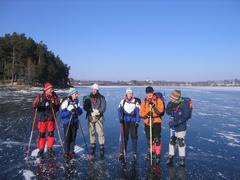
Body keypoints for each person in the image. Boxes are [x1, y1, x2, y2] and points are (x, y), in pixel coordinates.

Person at [32, 82, 60, 158]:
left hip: (51, 118)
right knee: (42, 135)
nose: (51, 90)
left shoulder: (54, 97)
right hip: (42, 119)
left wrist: (54, 106)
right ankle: (41, 150)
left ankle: (50, 148)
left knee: (51, 133)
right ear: (46, 89)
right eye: (50, 89)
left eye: (52, 89)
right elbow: (34, 104)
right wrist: (37, 105)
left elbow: (58, 107)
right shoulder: (40, 96)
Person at [166, 90, 192, 167]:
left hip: (181, 126)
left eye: (172, 98)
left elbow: (186, 116)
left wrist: (174, 123)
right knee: (172, 141)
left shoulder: (184, 104)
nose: (171, 99)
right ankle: (170, 156)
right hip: (173, 126)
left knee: (181, 142)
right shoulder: (172, 102)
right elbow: (167, 112)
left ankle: (182, 159)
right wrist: (170, 105)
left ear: (176, 97)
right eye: (171, 97)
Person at [140, 86, 165, 163]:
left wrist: (153, 107)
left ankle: (157, 155)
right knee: (149, 140)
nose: (149, 94)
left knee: (157, 139)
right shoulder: (144, 101)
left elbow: (160, 111)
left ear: (153, 92)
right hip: (147, 122)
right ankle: (151, 152)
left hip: (156, 121)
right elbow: (141, 113)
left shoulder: (158, 100)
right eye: (148, 93)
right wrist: (147, 115)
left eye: (150, 92)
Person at [83, 83, 107, 158]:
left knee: (100, 132)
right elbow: (85, 106)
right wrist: (91, 111)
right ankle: (93, 145)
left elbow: (103, 107)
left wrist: (98, 112)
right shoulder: (87, 97)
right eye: (92, 89)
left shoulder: (102, 98)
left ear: (97, 90)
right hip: (90, 116)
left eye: (95, 89)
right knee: (91, 132)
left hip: (99, 117)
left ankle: (101, 146)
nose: (93, 90)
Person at [118, 88, 141, 161]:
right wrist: (120, 119)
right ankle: (122, 152)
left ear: (132, 94)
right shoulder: (123, 101)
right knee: (124, 137)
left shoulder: (136, 101)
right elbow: (119, 110)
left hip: (133, 121)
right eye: (128, 93)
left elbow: (138, 112)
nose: (129, 95)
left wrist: (138, 121)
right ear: (126, 94)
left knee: (134, 137)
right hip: (125, 121)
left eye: (130, 93)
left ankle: (134, 153)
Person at [60, 87, 83, 159]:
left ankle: (71, 151)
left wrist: (77, 110)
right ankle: (66, 152)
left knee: (73, 137)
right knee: (67, 137)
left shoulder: (77, 101)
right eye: (76, 93)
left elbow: (80, 112)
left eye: (77, 93)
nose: (77, 95)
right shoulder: (66, 102)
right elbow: (61, 114)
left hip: (75, 122)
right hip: (67, 122)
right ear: (72, 94)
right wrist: (69, 111)